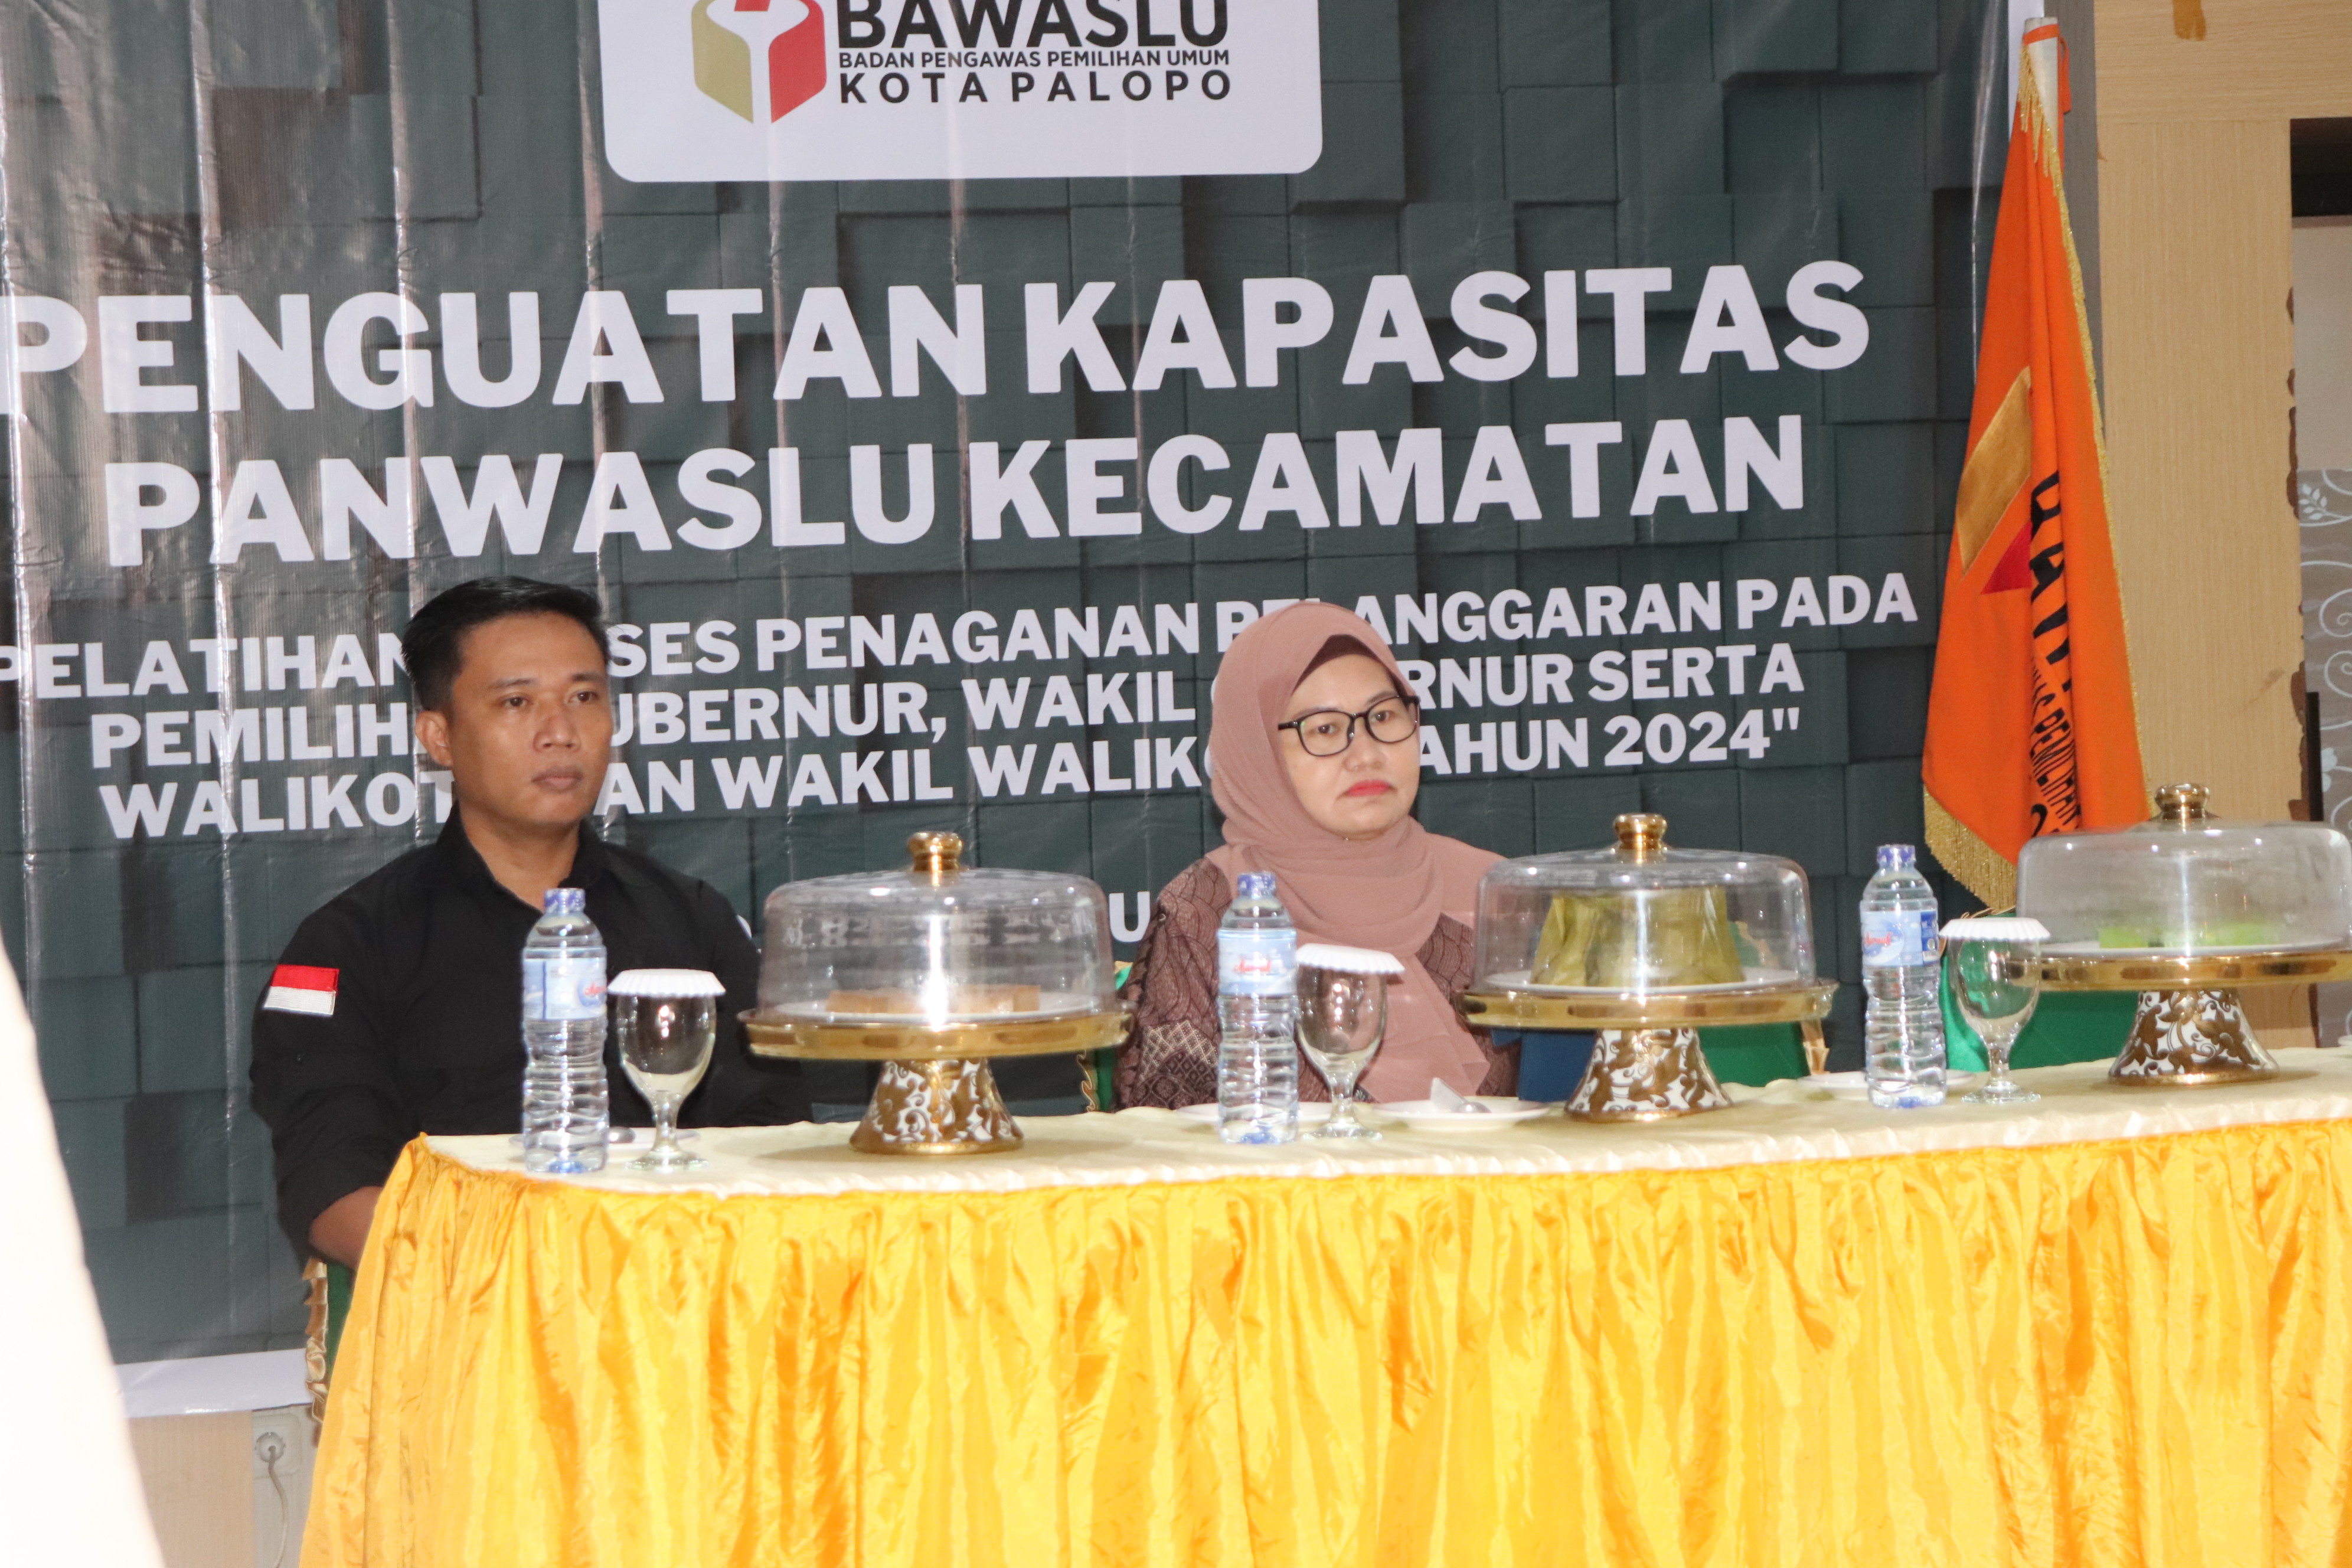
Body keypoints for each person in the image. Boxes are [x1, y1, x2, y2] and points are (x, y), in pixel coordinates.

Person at [249, 578, 807, 1267]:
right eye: (516, 702)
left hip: (676, 1295)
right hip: (472, 1306)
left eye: (584, 697)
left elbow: (771, 1139)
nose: (560, 732)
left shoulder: (690, 917)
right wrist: (542, 1276)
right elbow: (334, 1193)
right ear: (438, 736)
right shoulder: (349, 944)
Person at [1117, 602, 1515, 1108]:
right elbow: (1171, 1132)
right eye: (1325, 728)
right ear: (1258, 751)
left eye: (1384, 716)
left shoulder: (1492, 893)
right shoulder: (1206, 914)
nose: (1366, 753)